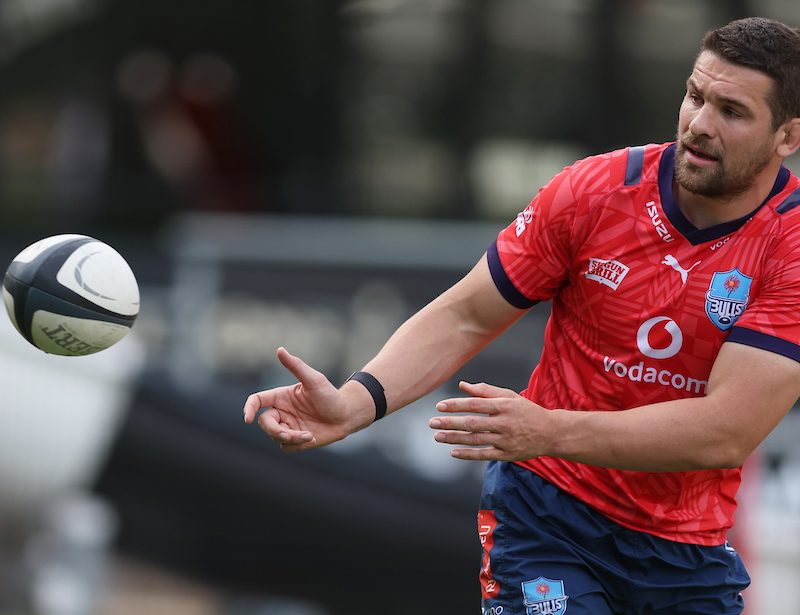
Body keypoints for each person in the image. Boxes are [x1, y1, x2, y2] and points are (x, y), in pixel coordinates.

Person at [243, 16, 800, 614]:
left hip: (686, 550)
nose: (700, 124)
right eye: (694, 96)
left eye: (731, 111)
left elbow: (725, 431)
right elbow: (466, 316)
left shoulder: (790, 247)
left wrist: (547, 430)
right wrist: (354, 404)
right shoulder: (595, 191)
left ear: (787, 136)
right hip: (548, 516)